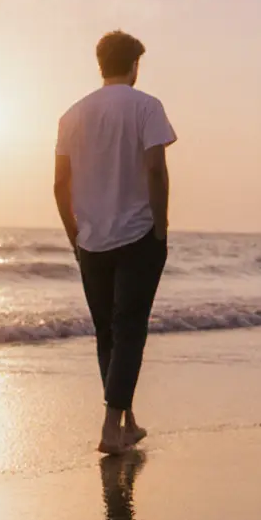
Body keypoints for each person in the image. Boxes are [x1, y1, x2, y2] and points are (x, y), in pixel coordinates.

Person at [55, 30, 177, 455]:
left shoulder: (72, 115)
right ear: (134, 66)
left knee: (107, 331)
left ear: (100, 63)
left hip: (91, 239)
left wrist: (76, 237)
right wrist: (161, 226)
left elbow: (59, 185)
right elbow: (156, 170)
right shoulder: (146, 107)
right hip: (138, 234)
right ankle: (111, 428)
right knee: (129, 331)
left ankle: (125, 421)